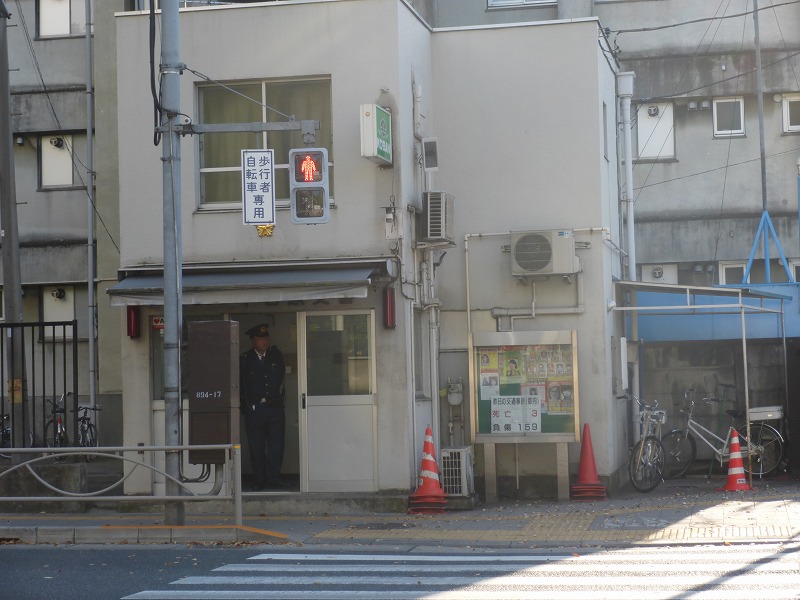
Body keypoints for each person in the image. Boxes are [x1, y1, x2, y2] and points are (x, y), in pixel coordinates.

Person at [240, 323, 286, 490]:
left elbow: (281, 378)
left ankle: (273, 478)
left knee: (276, 445)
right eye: (260, 339)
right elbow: (240, 385)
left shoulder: (276, 356)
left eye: (265, 338)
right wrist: (245, 407)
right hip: (255, 409)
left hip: (274, 408)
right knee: (256, 446)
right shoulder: (245, 359)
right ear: (253, 341)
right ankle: (259, 479)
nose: (264, 341)